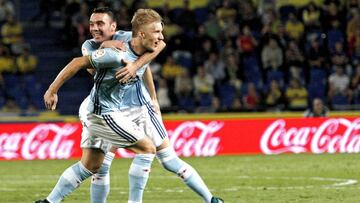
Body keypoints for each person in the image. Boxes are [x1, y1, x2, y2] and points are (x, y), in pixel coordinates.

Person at [37, 8, 224, 203]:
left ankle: (210, 199)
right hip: (106, 111)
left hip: (139, 107)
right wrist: (53, 89)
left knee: (96, 166)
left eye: (100, 23)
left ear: (114, 26)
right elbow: (84, 65)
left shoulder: (132, 37)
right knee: (127, 157)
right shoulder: (102, 50)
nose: (94, 28)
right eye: (92, 24)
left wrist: (145, 84)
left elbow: (156, 49)